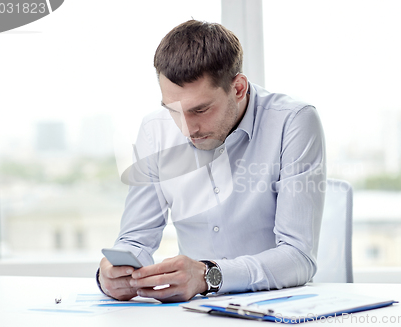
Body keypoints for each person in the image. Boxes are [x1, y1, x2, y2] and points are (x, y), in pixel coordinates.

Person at [97, 19, 326, 303]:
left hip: (277, 307)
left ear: (239, 88)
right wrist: (111, 275)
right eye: (173, 110)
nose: (186, 129)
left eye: (200, 109)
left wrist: (207, 276)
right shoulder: (154, 130)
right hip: (194, 312)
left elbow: (298, 256)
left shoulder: (293, 121)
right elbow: (135, 240)